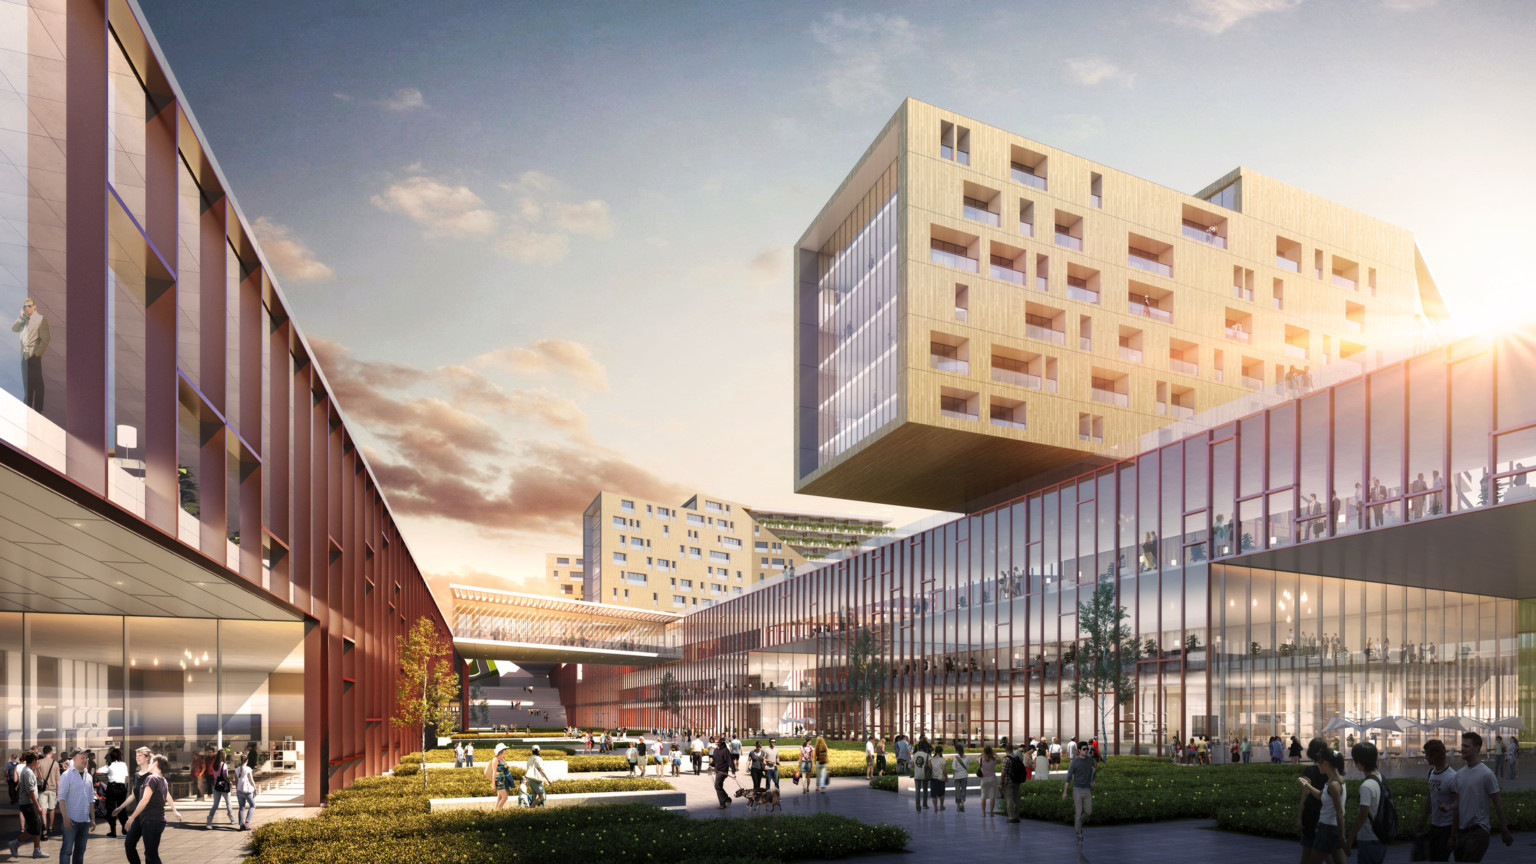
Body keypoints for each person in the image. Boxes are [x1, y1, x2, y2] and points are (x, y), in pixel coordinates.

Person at [1444, 731, 1515, 861]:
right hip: (1462, 832)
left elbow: (1497, 803)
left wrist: (1504, 829)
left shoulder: (1487, 774)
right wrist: (1449, 808)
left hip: (1478, 832)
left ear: (1476, 748)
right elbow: (1459, 803)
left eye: (1466, 746)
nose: (1462, 749)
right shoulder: (1459, 775)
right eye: (1462, 745)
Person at [1298, 748, 1346, 864]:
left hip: (1327, 829)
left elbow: (1339, 812)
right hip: (1330, 828)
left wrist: (1342, 836)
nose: (1317, 765)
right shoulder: (1335, 780)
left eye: (1319, 762)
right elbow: (1321, 795)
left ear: (1325, 763)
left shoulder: (1333, 784)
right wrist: (1307, 785)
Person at [1416, 738, 1456, 862]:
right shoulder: (1431, 773)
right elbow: (1430, 798)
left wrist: (1453, 837)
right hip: (1434, 826)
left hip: (1447, 828)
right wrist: (1423, 820)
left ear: (1435, 756)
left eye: (1427, 755)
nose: (1426, 758)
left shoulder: (1452, 777)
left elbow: (1457, 808)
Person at [1344, 743, 1386, 864]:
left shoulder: (1366, 786)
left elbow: (1362, 815)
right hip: (1381, 837)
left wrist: (1350, 838)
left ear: (1359, 764)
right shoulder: (1380, 777)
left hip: (1369, 839)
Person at [11, 297, 50, 412]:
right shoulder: (24, 320)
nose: (27, 308)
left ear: (34, 306)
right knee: (27, 385)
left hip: (34, 355)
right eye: (25, 306)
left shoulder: (40, 319)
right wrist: (21, 317)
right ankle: (27, 410)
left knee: (37, 384)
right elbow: (14, 328)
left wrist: (37, 353)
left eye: (29, 305)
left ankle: (38, 410)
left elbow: (46, 338)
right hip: (24, 357)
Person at [56, 748, 93, 864]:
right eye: (82, 757)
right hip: (71, 820)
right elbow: (61, 798)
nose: (85, 760)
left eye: (86, 757)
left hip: (85, 820)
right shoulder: (67, 776)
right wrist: (65, 817)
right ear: (74, 758)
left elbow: (91, 799)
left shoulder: (89, 776)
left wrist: (93, 818)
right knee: (67, 850)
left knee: (80, 851)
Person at [1296, 738, 1328, 861]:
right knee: (1327, 852)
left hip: (1311, 813)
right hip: (1326, 812)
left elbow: (1305, 793)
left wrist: (1299, 816)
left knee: (1307, 851)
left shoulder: (1310, 770)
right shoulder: (1330, 771)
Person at [7, 751, 43, 860]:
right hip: (28, 803)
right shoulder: (27, 772)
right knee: (34, 827)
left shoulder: (30, 770)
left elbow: (41, 781)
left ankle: (37, 850)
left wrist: (37, 768)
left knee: (37, 825)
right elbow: (30, 791)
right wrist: (37, 806)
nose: (38, 762)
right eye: (37, 760)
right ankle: (16, 843)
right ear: (34, 761)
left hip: (29, 803)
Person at [1063, 741, 1097, 845]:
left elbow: (1093, 773)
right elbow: (1069, 777)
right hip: (1077, 790)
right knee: (1078, 813)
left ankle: (1078, 825)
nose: (1086, 751)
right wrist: (1065, 792)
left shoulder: (1091, 761)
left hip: (1087, 790)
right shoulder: (1074, 762)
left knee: (1088, 812)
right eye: (1084, 749)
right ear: (1078, 750)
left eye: (1087, 749)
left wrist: (1093, 781)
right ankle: (1078, 833)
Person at [206, 748, 235, 828]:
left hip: (216, 787)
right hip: (224, 787)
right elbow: (225, 776)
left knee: (215, 805)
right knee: (228, 803)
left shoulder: (214, 764)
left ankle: (209, 822)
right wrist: (230, 782)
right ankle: (232, 819)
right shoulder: (224, 765)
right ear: (223, 755)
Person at [487, 743, 514, 810]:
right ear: (501, 750)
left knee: (499, 798)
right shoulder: (495, 760)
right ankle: (498, 811)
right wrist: (493, 785)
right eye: (505, 749)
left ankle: (495, 811)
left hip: (504, 780)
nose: (506, 750)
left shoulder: (502, 758)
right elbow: (494, 772)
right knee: (505, 797)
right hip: (499, 781)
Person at [232, 754, 257, 830]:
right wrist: (255, 788)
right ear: (247, 761)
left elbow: (236, 781)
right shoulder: (248, 769)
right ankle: (247, 823)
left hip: (239, 791)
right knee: (253, 805)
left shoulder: (236, 769)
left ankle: (241, 825)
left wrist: (237, 790)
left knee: (241, 807)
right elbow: (251, 780)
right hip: (247, 791)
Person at [710, 736, 735, 809]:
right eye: (715, 742)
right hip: (717, 771)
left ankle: (726, 800)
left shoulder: (725, 750)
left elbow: (730, 761)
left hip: (723, 771)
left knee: (717, 785)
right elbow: (714, 761)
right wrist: (710, 765)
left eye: (718, 742)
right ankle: (723, 803)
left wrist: (733, 772)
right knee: (718, 786)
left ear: (721, 742)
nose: (716, 743)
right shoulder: (716, 750)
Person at [978, 745, 999, 817]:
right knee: (992, 796)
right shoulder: (993, 760)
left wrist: (982, 753)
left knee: (983, 796)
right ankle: (991, 813)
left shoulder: (981, 759)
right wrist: (995, 753)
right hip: (992, 778)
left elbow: (977, 757)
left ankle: (983, 813)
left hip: (984, 779)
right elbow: (999, 760)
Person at [912, 740, 930, 812]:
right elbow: (929, 765)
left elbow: (912, 765)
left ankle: (917, 806)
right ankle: (925, 805)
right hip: (924, 775)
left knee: (917, 790)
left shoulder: (915, 755)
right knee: (925, 790)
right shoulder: (927, 755)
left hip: (917, 774)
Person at [930, 744, 949, 811]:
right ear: (941, 752)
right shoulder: (942, 760)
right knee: (941, 793)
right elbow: (944, 770)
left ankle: (935, 807)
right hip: (941, 779)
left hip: (933, 778)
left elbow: (930, 768)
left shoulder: (931, 759)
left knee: (934, 794)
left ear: (935, 751)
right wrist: (946, 778)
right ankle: (941, 806)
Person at [950, 743, 969, 812]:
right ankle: (962, 804)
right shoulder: (967, 758)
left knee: (957, 791)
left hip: (957, 777)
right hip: (964, 776)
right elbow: (967, 767)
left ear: (957, 751)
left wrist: (957, 769)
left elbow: (953, 767)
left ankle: (958, 806)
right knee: (963, 790)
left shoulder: (955, 758)